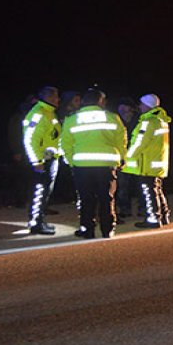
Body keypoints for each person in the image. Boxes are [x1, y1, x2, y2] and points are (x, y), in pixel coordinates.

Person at [60, 88, 127, 239]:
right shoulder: (112, 117)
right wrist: (122, 158)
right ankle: (107, 229)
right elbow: (121, 141)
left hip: (82, 166)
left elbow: (65, 144)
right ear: (101, 101)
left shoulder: (72, 119)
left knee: (86, 198)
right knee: (107, 198)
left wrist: (72, 161)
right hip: (106, 164)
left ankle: (87, 229)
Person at [122, 94, 173, 229]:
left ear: (148, 105)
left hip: (147, 164)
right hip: (156, 162)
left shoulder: (149, 122)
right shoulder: (160, 120)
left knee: (148, 191)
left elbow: (139, 143)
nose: (139, 106)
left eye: (141, 104)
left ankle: (152, 218)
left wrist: (126, 158)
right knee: (157, 189)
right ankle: (163, 215)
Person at [21, 86, 63, 235]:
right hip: (42, 162)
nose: (58, 100)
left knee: (43, 192)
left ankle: (39, 220)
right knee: (39, 192)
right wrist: (36, 161)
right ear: (48, 97)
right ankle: (36, 224)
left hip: (49, 159)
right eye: (56, 97)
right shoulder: (39, 114)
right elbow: (29, 139)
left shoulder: (49, 113)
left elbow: (52, 138)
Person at [7, 93, 37, 207]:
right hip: (23, 151)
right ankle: (21, 201)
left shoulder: (35, 115)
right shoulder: (19, 116)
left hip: (34, 151)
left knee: (34, 178)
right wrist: (16, 151)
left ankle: (33, 201)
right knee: (23, 177)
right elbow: (14, 134)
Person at [115, 97, 140, 219]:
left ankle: (142, 208)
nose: (125, 110)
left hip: (137, 157)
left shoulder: (138, 120)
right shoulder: (116, 120)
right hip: (122, 157)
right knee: (122, 185)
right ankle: (125, 209)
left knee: (139, 183)